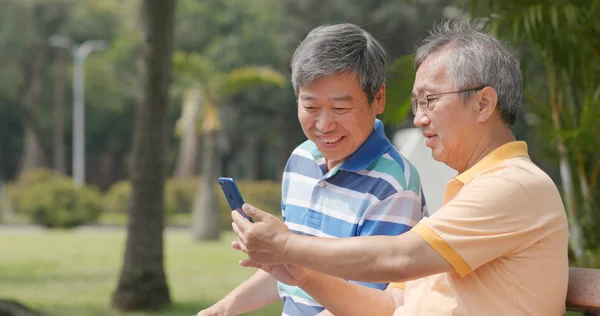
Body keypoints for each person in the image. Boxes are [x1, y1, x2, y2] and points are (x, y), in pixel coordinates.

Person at [231, 18, 569, 316]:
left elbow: (399, 258)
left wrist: (287, 247)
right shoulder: (468, 191)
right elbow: (391, 307)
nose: (419, 118)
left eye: (429, 100)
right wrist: (300, 272)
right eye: (417, 103)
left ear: (483, 103)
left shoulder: (514, 185)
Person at [197, 23, 427, 316]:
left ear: (378, 98)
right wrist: (222, 309)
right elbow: (292, 273)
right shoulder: (301, 159)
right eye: (310, 106)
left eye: (340, 109)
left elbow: (369, 304)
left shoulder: (395, 185)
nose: (323, 125)